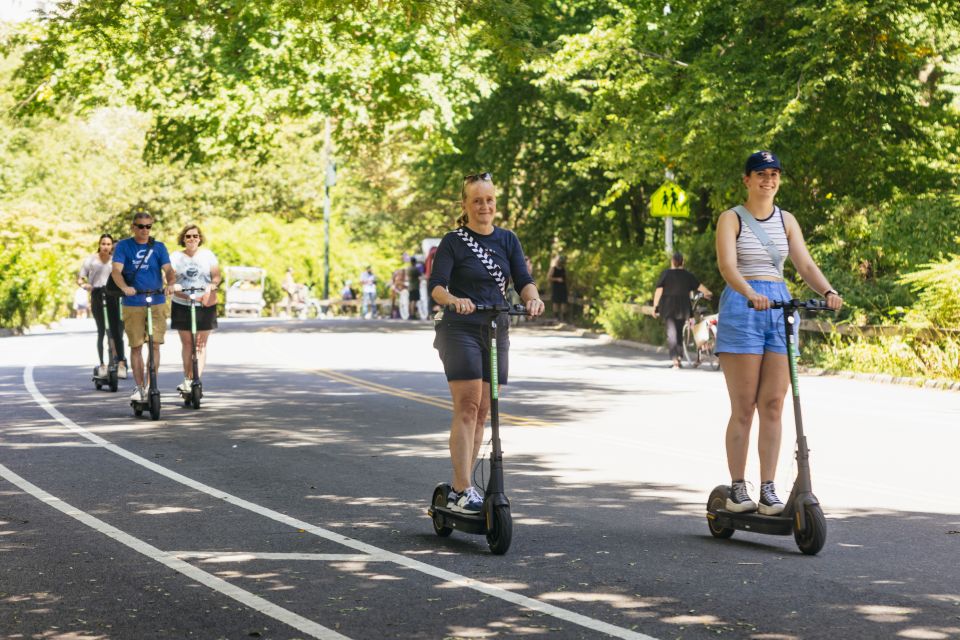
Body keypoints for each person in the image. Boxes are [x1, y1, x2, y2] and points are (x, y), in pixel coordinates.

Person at [715, 151, 842, 516]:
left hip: (780, 307)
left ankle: (769, 488)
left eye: (774, 174)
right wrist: (749, 292)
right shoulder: (731, 218)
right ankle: (739, 486)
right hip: (744, 305)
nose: (768, 180)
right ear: (747, 180)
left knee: (774, 403)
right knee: (744, 407)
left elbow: (803, 263)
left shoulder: (786, 220)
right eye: (760, 174)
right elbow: (727, 265)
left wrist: (828, 292)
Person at [428, 172, 545, 513]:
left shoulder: (508, 240)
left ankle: (459, 487)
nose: (484, 206)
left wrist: (533, 299)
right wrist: (453, 300)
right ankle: (464, 488)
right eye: (477, 200)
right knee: (467, 406)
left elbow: (524, 280)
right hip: (460, 328)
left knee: (483, 413)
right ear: (464, 205)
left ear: (496, 203)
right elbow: (437, 285)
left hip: (496, 329)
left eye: (489, 200)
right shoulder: (453, 241)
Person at [111, 212, 175, 403]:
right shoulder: (124, 246)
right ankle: (139, 387)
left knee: (155, 345)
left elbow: (169, 270)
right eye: (140, 226)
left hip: (156, 300)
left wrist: (170, 283)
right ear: (133, 227)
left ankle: (150, 385)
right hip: (133, 302)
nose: (145, 230)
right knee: (137, 346)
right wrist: (124, 288)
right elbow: (116, 271)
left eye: (148, 226)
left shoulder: (159, 247)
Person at [170, 224, 221, 395]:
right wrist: (172, 283)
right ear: (183, 239)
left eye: (195, 236)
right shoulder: (176, 256)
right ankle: (187, 379)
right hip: (182, 301)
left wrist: (212, 286)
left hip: (204, 302)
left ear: (200, 238)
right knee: (187, 343)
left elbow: (216, 275)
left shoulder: (207, 255)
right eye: (188, 236)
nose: (192, 239)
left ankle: (196, 381)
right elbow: (170, 275)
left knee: (200, 344)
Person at [78, 234, 128, 379]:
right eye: (103, 244)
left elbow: (123, 277)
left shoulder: (115, 261)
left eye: (108, 244)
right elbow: (80, 278)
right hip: (97, 294)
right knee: (102, 331)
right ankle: (102, 364)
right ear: (99, 244)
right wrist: (85, 285)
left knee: (116, 331)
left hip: (113, 295)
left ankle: (121, 364)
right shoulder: (90, 260)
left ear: (112, 246)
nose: (106, 246)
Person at [653, 252, 713, 368]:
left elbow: (659, 291)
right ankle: (679, 357)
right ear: (683, 262)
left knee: (672, 333)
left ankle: (676, 359)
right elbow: (700, 287)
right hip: (683, 307)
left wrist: (655, 307)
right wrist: (708, 293)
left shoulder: (666, 274)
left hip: (668, 307)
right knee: (679, 332)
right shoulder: (687, 275)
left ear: (672, 262)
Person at [547, 255, 569, 322]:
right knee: (556, 302)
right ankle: (556, 317)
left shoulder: (564, 269)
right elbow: (549, 278)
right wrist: (557, 279)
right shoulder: (553, 269)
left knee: (564, 302)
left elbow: (566, 278)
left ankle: (563, 318)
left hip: (563, 287)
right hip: (556, 288)